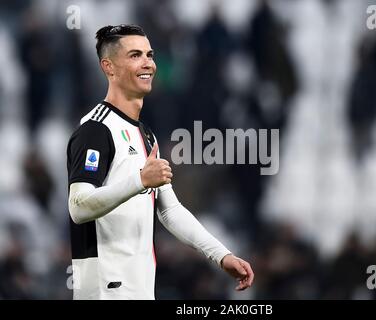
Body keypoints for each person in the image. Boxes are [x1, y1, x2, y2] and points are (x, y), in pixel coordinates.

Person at [66, 24, 254, 300]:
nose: (148, 63)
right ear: (109, 67)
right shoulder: (95, 131)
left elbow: (169, 211)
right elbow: (79, 207)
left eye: (149, 54)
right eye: (134, 55)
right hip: (105, 291)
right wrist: (140, 180)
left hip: (140, 290)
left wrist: (221, 255)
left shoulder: (145, 134)